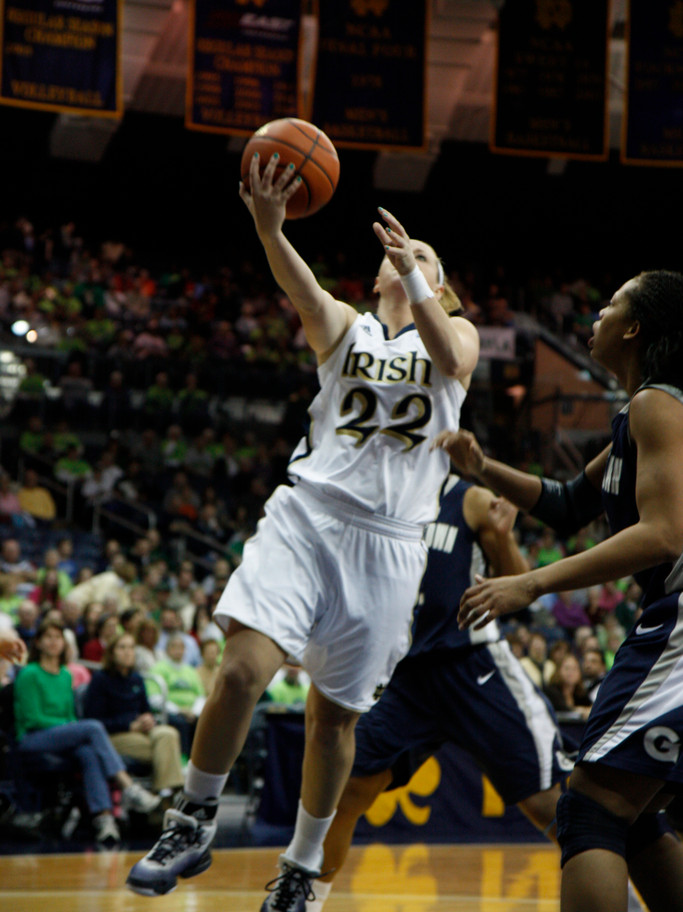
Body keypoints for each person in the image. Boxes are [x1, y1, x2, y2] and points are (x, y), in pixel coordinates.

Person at [126, 152, 479, 899]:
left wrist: (417, 278)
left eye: (421, 256)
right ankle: (191, 818)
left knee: (332, 723)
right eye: (398, 255)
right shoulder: (347, 329)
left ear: (437, 284)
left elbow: (449, 354)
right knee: (242, 670)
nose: (404, 257)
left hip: (390, 547)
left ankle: (302, 867)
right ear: (375, 277)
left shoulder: (458, 336)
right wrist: (268, 228)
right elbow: (300, 288)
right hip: (307, 517)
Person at [447, 269, 683, 912]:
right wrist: (482, 468)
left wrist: (532, 582)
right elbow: (566, 504)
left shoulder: (658, 403)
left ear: (634, 328)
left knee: (589, 810)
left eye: (612, 304)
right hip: (669, 623)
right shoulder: (638, 415)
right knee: (628, 813)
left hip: (679, 626)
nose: (598, 313)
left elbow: (663, 535)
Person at [313, 476, 572, 912]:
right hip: (408, 675)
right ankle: (307, 902)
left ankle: (620, 896)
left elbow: (520, 587)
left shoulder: (469, 498)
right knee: (350, 787)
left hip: (472, 666)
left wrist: (504, 537)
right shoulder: (382, 497)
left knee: (545, 799)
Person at [13, 620, 160, 844]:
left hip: (61, 736)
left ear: (64, 643)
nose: (54, 642)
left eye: (58, 637)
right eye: (48, 637)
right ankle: (128, 786)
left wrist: (70, 726)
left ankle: (104, 820)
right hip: (33, 738)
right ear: (39, 643)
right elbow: (33, 719)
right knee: (92, 726)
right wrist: (69, 727)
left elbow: (71, 714)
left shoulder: (65, 675)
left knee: (88, 753)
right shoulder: (29, 674)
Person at [83, 632, 184, 800]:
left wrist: (148, 720)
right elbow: (94, 721)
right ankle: (167, 796)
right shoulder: (100, 679)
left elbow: (146, 710)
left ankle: (161, 795)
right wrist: (129, 725)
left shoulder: (136, 679)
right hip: (114, 735)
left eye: (131, 648)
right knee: (163, 748)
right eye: (122, 647)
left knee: (169, 733)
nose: (127, 652)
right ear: (112, 652)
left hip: (140, 731)